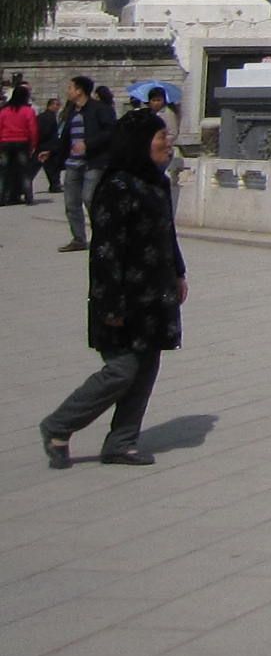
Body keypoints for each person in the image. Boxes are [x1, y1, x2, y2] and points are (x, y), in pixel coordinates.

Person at [40, 109, 187, 468]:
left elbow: (167, 234)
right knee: (122, 369)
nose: (167, 143)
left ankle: (122, 442)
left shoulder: (157, 181)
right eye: (160, 137)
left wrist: (178, 273)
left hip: (155, 290)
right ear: (140, 142)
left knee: (147, 365)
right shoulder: (116, 185)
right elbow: (106, 252)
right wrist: (111, 305)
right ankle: (59, 424)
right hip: (122, 293)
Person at [59, 78, 119, 251]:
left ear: (80, 91)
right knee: (71, 203)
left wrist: (88, 144)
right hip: (73, 162)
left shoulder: (100, 109)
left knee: (90, 198)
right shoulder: (70, 111)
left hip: (94, 161)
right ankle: (78, 239)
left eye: (70, 88)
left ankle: (102, 235)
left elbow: (110, 131)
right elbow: (65, 137)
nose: (68, 91)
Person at [0, 82, 36, 205]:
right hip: (22, 142)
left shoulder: (4, 111)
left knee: (3, 172)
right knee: (25, 171)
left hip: (5, 142)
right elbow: (33, 129)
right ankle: (28, 197)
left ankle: (1, 197)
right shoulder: (28, 111)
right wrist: (33, 144)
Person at [36, 97, 66, 194]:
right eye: (56, 105)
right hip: (49, 145)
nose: (58, 107)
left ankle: (54, 184)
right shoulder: (49, 117)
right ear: (50, 105)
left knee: (50, 167)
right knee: (53, 166)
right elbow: (46, 131)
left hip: (45, 144)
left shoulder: (43, 116)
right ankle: (55, 184)